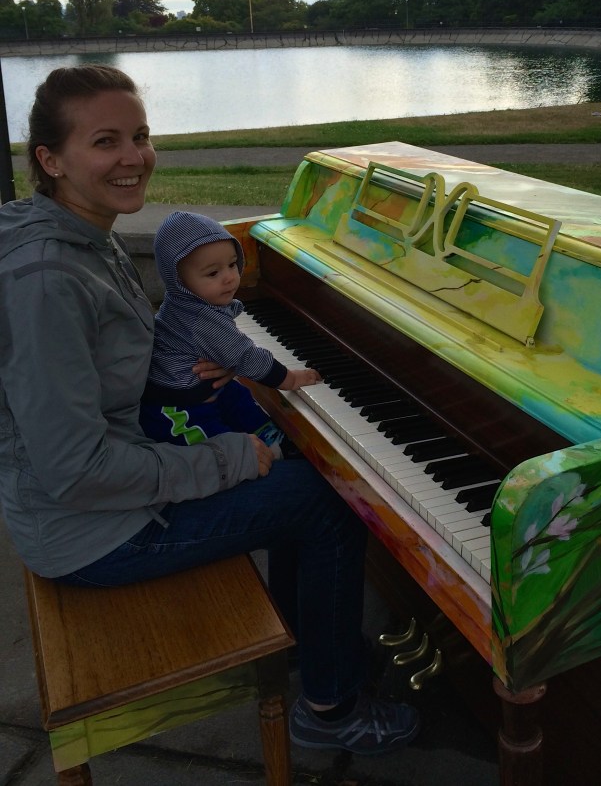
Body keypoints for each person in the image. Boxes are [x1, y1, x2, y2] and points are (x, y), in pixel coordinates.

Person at [0, 64, 418, 754]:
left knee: (296, 482)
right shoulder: (48, 281)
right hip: (92, 533)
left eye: (140, 135)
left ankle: (308, 642)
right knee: (324, 499)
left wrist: (193, 368)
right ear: (51, 160)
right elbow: (76, 469)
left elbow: (106, 366)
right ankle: (330, 706)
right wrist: (220, 459)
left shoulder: (84, 232)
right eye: (105, 142)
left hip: (102, 494)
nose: (133, 157)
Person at [140, 210, 318, 455]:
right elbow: (246, 357)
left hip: (203, 385)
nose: (229, 278)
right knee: (212, 444)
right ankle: (257, 457)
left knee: (238, 395)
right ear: (179, 281)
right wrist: (291, 379)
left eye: (232, 264)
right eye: (213, 273)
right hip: (177, 407)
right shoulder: (202, 319)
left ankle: (269, 438)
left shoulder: (184, 301)